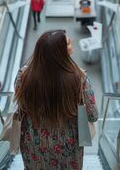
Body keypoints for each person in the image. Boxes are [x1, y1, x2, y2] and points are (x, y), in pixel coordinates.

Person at [14, 30, 98, 170]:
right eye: (69, 43)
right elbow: (93, 115)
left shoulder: (23, 75)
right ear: (59, 51)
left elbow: (21, 106)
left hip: (33, 143)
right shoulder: (79, 77)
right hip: (68, 146)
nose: (73, 44)